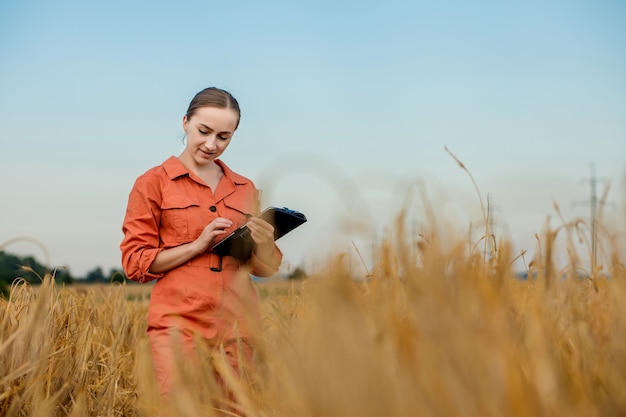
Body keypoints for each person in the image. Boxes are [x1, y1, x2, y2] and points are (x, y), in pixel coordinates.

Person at [120, 87, 282, 396]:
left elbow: (266, 268)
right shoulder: (152, 183)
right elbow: (134, 263)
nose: (211, 144)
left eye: (223, 137)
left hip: (238, 325)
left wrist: (264, 242)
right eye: (203, 131)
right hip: (178, 324)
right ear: (185, 122)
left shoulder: (245, 187)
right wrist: (196, 246)